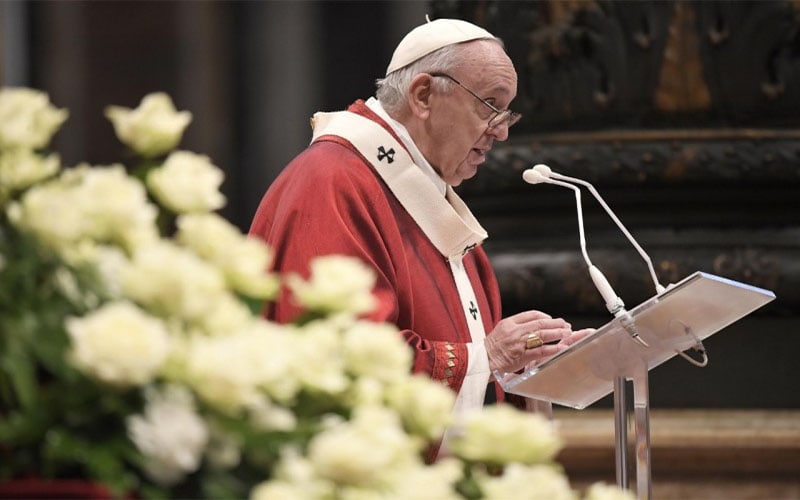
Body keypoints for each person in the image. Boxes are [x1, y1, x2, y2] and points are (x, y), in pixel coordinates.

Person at [249, 17, 589, 456]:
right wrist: (490, 358)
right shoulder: (332, 182)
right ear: (424, 95)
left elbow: (475, 358)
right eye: (490, 104)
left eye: (507, 112)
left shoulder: (426, 197)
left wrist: (524, 371)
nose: (502, 130)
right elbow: (344, 358)